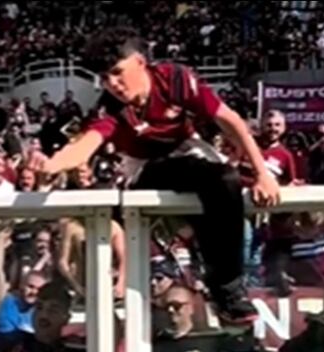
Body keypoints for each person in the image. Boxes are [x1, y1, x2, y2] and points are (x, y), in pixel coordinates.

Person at [41, 27, 281, 324]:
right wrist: (52, 165)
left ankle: (226, 288)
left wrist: (262, 174)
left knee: (226, 182)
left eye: (117, 72)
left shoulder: (175, 79)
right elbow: (86, 145)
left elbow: (229, 120)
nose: (113, 84)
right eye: (105, 78)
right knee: (211, 179)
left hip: (187, 152)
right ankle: (221, 289)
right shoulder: (110, 107)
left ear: (141, 62)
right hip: (144, 169)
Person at [0, 270, 47, 335]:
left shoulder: (42, 313)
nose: (34, 292)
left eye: (39, 289)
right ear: (21, 285)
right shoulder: (4, 304)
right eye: (31, 287)